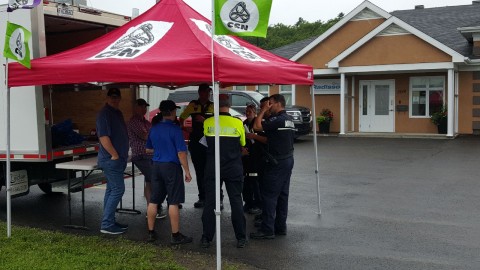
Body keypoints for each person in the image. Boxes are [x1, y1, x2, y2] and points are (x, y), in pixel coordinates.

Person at [201, 94, 247, 249]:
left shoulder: (208, 122)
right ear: (229, 104)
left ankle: (206, 238)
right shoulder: (237, 122)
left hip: (213, 166)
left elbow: (206, 142)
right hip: (233, 166)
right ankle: (241, 238)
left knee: (210, 203)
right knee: (236, 201)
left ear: (214, 105)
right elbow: (243, 143)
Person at [145, 100, 193, 245]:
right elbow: (181, 153)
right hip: (171, 167)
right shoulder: (175, 129)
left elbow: (148, 149)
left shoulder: (154, 128)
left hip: (156, 165)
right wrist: (187, 171)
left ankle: (151, 232)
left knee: (153, 200)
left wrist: (161, 149)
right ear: (172, 112)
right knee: (173, 201)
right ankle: (175, 235)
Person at [250, 94, 295, 239]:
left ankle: (267, 230)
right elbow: (272, 138)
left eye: (270, 103)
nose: (268, 105)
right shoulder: (288, 119)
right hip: (287, 160)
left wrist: (262, 110)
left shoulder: (277, 119)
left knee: (269, 196)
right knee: (283, 195)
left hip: (276, 162)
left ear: (277, 104)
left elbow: (256, 127)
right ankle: (280, 227)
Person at [96, 88, 129, 235]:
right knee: (117, 190)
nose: (115, 99)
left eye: (117, 97)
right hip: (111, 160)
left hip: (118, 159)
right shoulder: (104, 114)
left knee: (111, 190)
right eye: (112, 97)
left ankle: (109, 220)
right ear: (107, 97)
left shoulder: (117, 113)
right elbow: (103, 137)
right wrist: (114, 154)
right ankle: (107, 224)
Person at [127, 99, 166, 219]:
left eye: (145, 107)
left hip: (150, 154)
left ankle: (152, 208)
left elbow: (152, 133)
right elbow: (145, 136)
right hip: (141, 155)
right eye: (142, 106)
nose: (144, 109)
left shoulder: (146, 121)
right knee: (154, 179)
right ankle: (153, 208)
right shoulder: (134, 121)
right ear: (135, 107)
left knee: (150, 181)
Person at [179, 84, 214, 208]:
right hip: (196, 143)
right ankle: (202, 197)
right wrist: (184, 127)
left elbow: (218, 122)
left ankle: (215, 198)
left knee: (212, 171)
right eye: (205, 92)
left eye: (209, 92)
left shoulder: (213, 106)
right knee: (199, 171)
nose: (207, 94)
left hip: (210, 143)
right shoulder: (193, 105)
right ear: (200, 92)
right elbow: (181, 117)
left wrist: (205, 120)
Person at [242, 104, 266, 215]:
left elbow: (265, 140)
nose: (247, 113)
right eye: (246, 111)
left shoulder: (258, 123)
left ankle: (258, 204)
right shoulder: (243, 123)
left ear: (255, 113)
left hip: (256, 156)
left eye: (250, 111)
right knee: (246, 182)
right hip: (245, 157)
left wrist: (253, 136)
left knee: (255, 182)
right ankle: (248, 203)